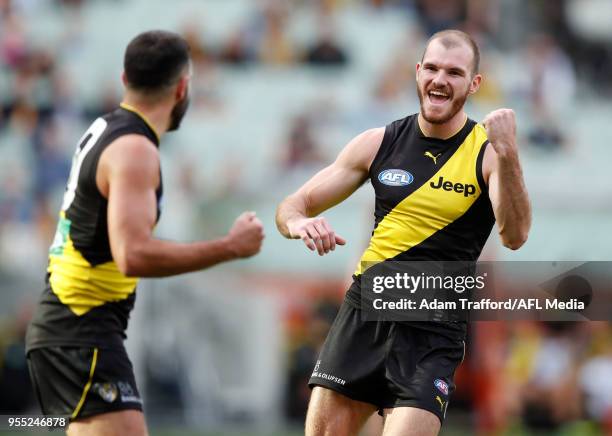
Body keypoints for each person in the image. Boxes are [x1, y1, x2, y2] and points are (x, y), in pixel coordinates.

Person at [276, 29, 531, 436]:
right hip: (364, 316)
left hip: (432, 333)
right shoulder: (378, 142)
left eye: (453, 72)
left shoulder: (487, 153)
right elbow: (292, 205)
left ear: (474, 84)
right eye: (431, 68)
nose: (439, 80)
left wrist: (510, 156)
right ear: (417, 72)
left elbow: (515, 235)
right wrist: (298, 222)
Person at [25, 30, 264, 436]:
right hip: (82, 330)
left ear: (124, 79)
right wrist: (229, 247)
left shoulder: (105, 127)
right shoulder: (135, 149)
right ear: (183, 87)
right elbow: (132, 255)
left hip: (71, 329)